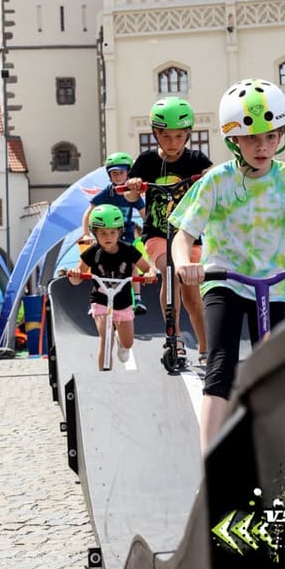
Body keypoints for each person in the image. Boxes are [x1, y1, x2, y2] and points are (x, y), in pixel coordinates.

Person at [170, 78, 285, 453]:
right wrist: (184, 264)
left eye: (272, 136)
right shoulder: (217, 181)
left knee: (277, 366)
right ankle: (211, 461)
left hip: (275, 284)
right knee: (221, 363)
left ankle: (283, 452)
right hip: (224, 279)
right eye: (252, 138)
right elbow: (183, 236)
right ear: (234, 141)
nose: (263, 146)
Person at [127, 96, 211, 364]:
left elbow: (214, 182)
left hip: (189, 236)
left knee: (192, 293)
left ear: (187, 135)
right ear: (155, 134)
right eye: (166, 136)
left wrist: (210, 176)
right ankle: (173, 337)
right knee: (171, 272)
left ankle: (206, 348)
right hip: (157, 235)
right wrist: (135, 186)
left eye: (178, 136)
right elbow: (130, 196)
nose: (172, 143)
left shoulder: (196, 159)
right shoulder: (147, 161)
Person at [68, 204, 156, 370]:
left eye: (112, 232)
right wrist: (75, 275)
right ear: (95, 233)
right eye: (102, 233)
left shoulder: (128, 250)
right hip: (101, 301)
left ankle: (122, 343)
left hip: (123, 302)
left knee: (128, 342)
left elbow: (147, 268)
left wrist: (149, 274)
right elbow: (77, 278)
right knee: (105, 337)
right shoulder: (92, 252)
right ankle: (105, 378)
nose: (108, 237)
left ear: (119, 232)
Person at [82, 151, 148, 315]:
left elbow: (144, 213)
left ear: (128, 173)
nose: (118, 176)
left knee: (132, 262)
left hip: (125, 235)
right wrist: (86, 234)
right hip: (106, 234)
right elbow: (88, 212)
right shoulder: (108, 191)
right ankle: (98, 299)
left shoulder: (131, 194)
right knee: (97, 262)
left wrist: (150, 231)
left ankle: (137, 299)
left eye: (121, 172)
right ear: (109, 175)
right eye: (114, 173)